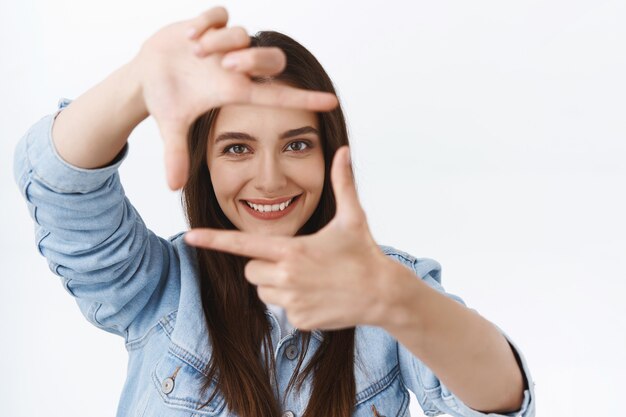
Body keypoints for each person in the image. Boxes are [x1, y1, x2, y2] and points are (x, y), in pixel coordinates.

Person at [14, 6, 535, 417]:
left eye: (297, 145)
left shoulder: (385, 288)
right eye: (237, 148)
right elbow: (60, 191)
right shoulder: (159, 289)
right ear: (205, 165)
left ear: (330, 152)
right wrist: (134, 84)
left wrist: (398, 300)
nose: (269, 178)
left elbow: (501, 404)